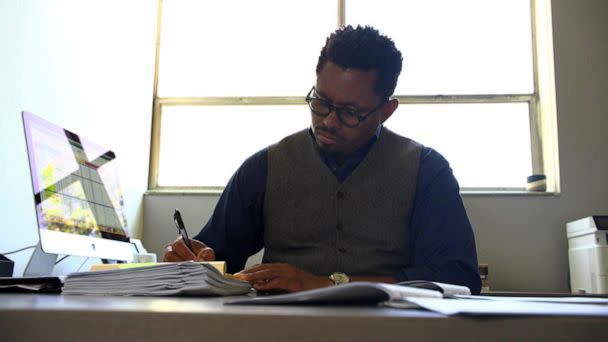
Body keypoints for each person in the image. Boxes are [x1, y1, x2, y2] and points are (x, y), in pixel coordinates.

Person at [164, 25, 481, 295]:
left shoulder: (425, 170)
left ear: (387, 111)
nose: (329, 121)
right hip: (277, 330)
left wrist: (324, 283)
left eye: (350, 112)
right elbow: (216, 259)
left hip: (391, 330)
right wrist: (190, 261)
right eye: (321, 102)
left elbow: (457, 278)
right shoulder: (265, 168)